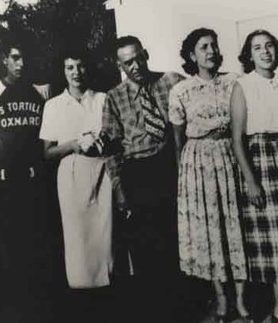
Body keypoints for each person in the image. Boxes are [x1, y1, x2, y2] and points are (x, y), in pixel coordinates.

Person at [102, 35, 185, 322]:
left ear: (146, 54)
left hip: (169, 166)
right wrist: (119, 189)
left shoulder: (171, 81)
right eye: (127, 63)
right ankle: (156, 311)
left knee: (175, 239)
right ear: (120, 65)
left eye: (138, 58)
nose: (135, 66)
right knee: (145, 246)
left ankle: (182, 307)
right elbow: (112, 148)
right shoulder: (114, 97)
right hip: (137, 173)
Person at [169, 28, 248, 322]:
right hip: (197, 163)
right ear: (192, 55)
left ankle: (242, 300)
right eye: (203, 47)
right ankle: (221, 300)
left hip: (230, 156)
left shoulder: (234, 82)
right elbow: (178, 138)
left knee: (235, 226)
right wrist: (182, 176)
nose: (211, 51)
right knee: (211, 232)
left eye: (213, 46)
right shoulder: (181, 90)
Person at [230, 29, 278, 323]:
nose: (265, 52)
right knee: (266, 239)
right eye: (257, 48)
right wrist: (250, 180)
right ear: (249, 55)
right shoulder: (243, 86)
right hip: (258, 160)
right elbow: (236, 138)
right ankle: (265, 308)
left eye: (270, 46)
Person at [0, 42, 50, 321]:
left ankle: (38, 305)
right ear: (4, 60)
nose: (21, 64)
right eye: (15, 58)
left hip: (37, 180)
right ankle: (10, 306)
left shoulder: (42, 91)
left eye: (25, 58)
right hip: (5, 181)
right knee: (9, 244)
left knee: (38, 242)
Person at [39, 50, 113, 321]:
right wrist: (73, 144)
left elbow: (115, 135)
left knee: (104, 236)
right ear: (63, 71)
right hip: (71, 173)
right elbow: (47, 153)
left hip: (102, 170)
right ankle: (81, 303)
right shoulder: (54, 106)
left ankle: (107, 299)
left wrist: (103, 141)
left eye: (80, 66)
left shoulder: (103, 99)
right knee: (78, 238)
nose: (76, 72)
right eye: (70, 67)